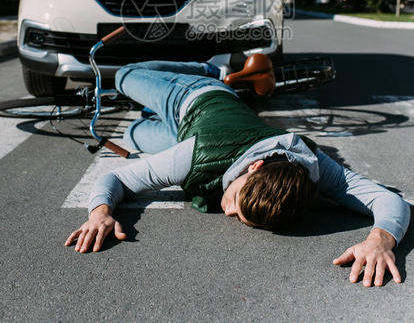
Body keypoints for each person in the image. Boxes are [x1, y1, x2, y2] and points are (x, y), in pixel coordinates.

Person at [65, 59, 410, 287]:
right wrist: (100, 213)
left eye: (237, 214)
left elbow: (387, 199)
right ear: (254, 167)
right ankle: (206, 68)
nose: (226, 209)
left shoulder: (314, 169)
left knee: (131, 134)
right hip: (193, 97)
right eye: (235, 199)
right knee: (124, 75)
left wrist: (379, 241)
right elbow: (119, 179)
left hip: (191, 130)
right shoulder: (194, 156)